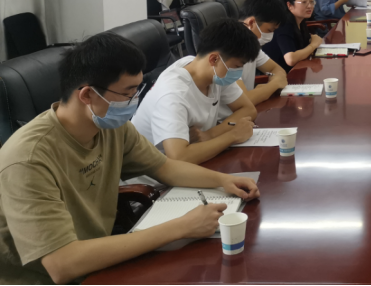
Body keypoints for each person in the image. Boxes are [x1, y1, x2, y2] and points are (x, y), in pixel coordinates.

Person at [0, 33, 259, 285]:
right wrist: (182, 226)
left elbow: (165, 167)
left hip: (100, 259)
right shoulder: (28, 160)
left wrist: (223, 181)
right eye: (128, 94)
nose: (134, 101)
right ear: (87, 95)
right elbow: (62, 264)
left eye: (137, 91)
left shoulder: (111, 126)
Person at [132, 19, 259, 164]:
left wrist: (210, 134)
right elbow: (179, 157)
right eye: (236, 66)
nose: (238, 72)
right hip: (151, 172)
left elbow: (248, 109)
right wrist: (233, 135)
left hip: (192, 160)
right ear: (214, 59)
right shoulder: (173, 93)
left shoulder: (211, 72)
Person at [234, 0, 290, 105]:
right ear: (251, 23)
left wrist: (263, 90)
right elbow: (245, 101)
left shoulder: (251, 46)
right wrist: (274, 85)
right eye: (269, 30)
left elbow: (278, 70)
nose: (271, 36)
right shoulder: (229, 50)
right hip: (233, 114)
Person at [264, 0, 324, 73]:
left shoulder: (300, 20)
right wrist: (313, 45)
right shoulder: (284, 24)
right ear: (289, 5)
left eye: (311, 1)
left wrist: (312, 40)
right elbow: (290, 59)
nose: (310, 6)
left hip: (295, 70)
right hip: (278, 76)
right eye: (304, 2)